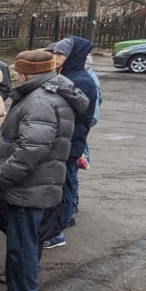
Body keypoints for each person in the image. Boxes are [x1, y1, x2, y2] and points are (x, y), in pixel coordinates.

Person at [0, 50, 88, 291]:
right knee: (20, 246)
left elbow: (30, 150)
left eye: (19, 71)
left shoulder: (41, 101)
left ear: (27, 72)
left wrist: (0, 175)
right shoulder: (43, 95)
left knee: (24, 248)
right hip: (32, 185)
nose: (17, 76)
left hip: (28, 187)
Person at [43, 36, 99, 249]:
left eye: (60, 54)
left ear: (73, 56)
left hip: (70, 141)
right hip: (63, 140)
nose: (55, 58)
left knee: (64, 186)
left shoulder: (80, 80)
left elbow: (76, 115)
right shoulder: (66, 74)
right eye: (55, 53)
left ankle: (58, 232)